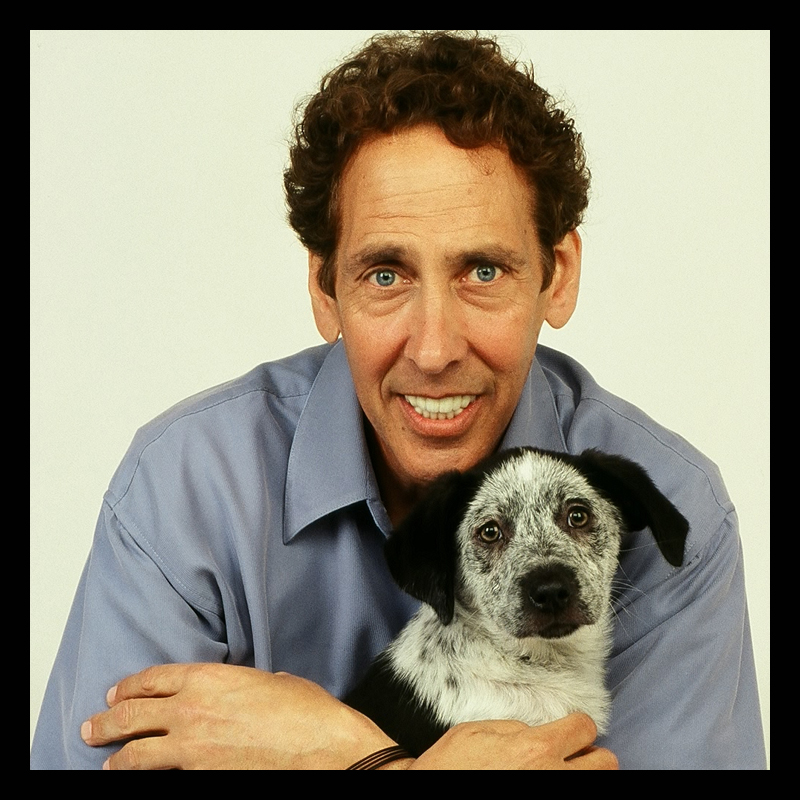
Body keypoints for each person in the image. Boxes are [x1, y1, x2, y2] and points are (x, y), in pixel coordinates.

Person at [30, 31, 766, 770]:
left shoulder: (679, 507)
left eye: (482, 271)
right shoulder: (185, 489)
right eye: (386, 275)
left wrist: (341, 753)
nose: (434, 349)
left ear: (558, 276)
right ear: (326, 290)